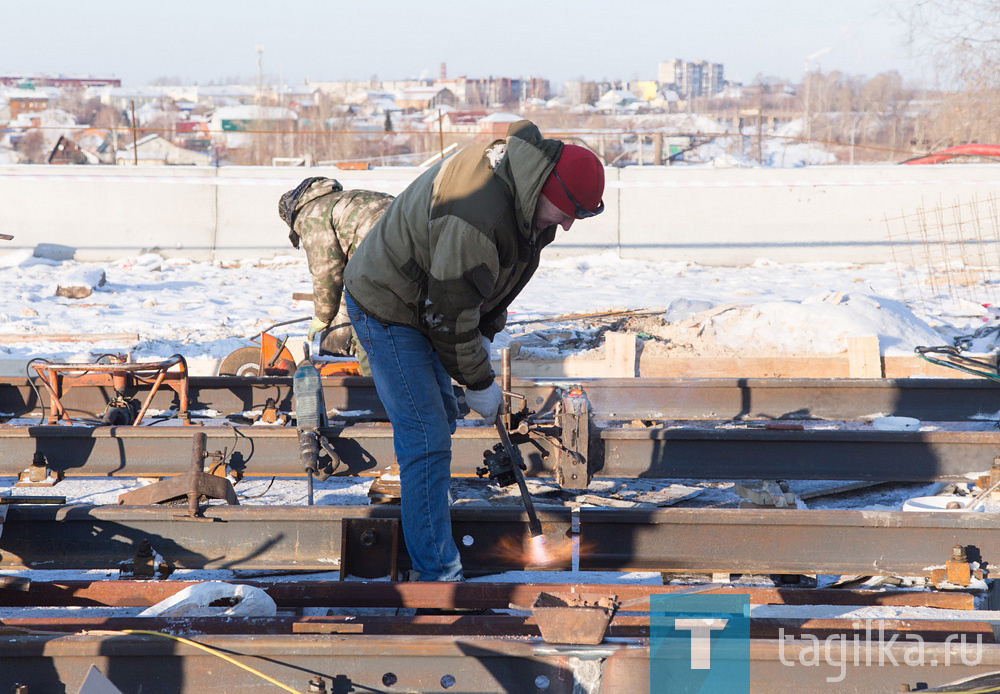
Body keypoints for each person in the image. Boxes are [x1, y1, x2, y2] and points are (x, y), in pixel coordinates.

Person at [344, 120, 605, 581]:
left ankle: (427, 508)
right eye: (568, 212)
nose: (567, 225)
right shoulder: (480, 212)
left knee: (439, 416)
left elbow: (495, 284)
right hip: (388, 302)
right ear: (550, 185)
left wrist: (485, 334)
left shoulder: (527, 199)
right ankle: (437, 572)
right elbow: (449, 313)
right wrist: (479, 380)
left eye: (578, 217)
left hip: (428, 297)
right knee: (426, 434)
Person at [278, 177, 394, 374]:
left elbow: (327, 269)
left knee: (367, 327)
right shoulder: (341, 201)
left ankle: (375, 389)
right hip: (412, 242)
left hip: (382, 255)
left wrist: (324, 316)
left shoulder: (312, 214)